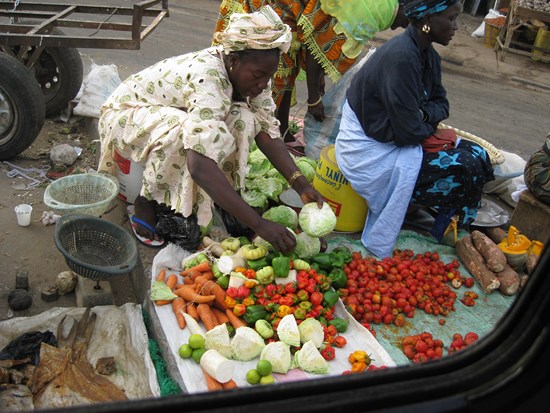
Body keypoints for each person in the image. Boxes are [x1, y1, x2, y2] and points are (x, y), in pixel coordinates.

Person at [97, 6, 324, 252]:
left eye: (267, 77)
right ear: (234, 60)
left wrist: (301, 185)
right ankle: (145, 202)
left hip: (168, 112)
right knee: (182, 131)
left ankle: (216, 200)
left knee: (243, 118)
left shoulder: (254, 77)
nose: (263, 84)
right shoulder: (208, 78)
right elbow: (199, 166)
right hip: (125, 114)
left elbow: (268, 134)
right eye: (258, 75)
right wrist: (259, 224)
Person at [334, 0, 495, 259]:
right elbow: (409, 133)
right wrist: (424, 117)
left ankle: (449, 227)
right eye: (451, 19)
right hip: (370, 151)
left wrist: (421, 115)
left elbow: (442, 104)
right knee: (466, 166)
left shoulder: (427, 54)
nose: (456, 27)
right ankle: (438, 226)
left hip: (397, 137)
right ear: (428, 20)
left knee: (481, 157)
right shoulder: (402, 57)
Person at [214, 0, 410, 156]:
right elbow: (316, 51)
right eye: (407, 19)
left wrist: (318, 84)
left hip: (288, 10)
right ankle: (243, 132)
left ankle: (279, 132)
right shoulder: (375, 10)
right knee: (268, 73)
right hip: (270, 8)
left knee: (284, 69)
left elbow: (316, 40)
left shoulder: (381, 6)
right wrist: (313, 99)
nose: (401, 27)